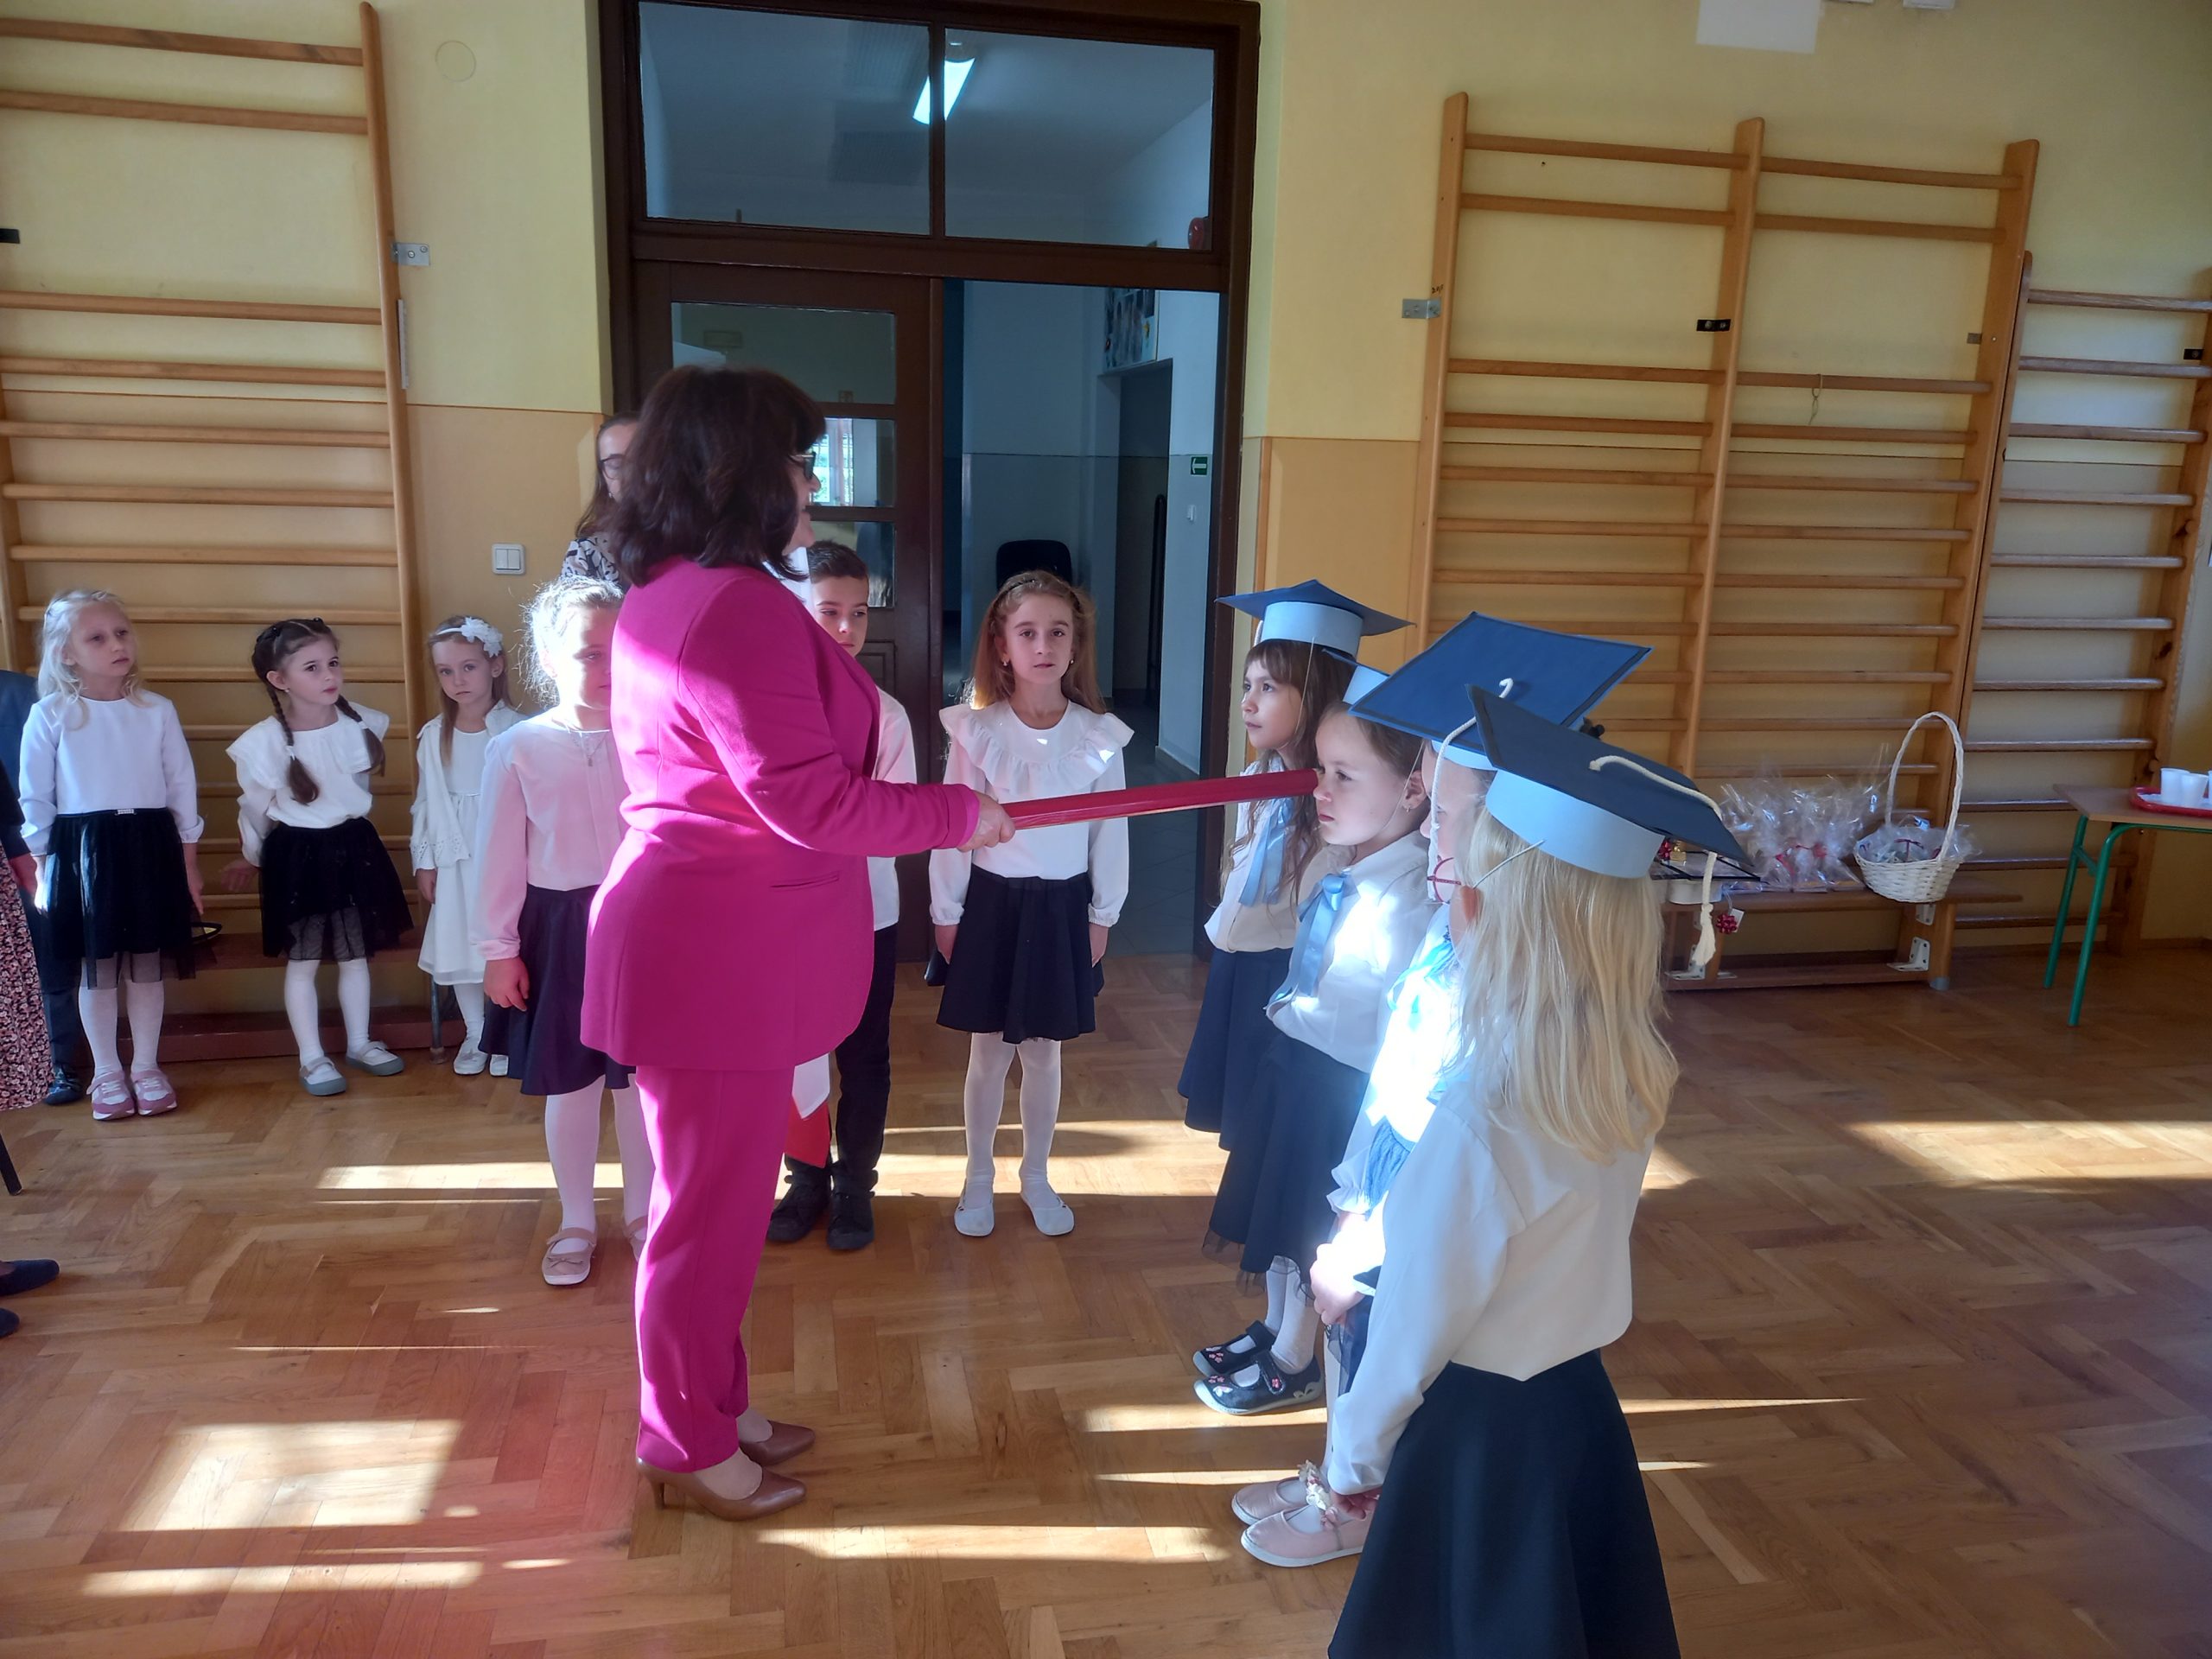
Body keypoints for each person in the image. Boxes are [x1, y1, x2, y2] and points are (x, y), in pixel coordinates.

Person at [580, 365, 1011, 1525]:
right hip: (712, 958)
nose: (809, 484)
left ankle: (713, 1407)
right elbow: (807, 802)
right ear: (738, 472)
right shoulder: (729, 606)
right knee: (701, 1224)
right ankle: (682, 1441)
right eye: (796, 461)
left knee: (717, 1215)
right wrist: (958, 814)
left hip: (714, 945)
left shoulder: (684, 587)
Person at [1324, 686, 1736, 1658]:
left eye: (1462, 879)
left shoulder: (1477, 1117)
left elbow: (1416, 1327)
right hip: (1573, 1409)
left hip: (1475, 1439)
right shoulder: (1627, 1070)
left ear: (1485, 910)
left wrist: (1353, 1456)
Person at [1230, 613, 1646, 1569]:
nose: (1431, 839)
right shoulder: (1460, 944)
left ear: (1510, 854)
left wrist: (1362, 1245)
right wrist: (1353, 1195)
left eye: (1451, 822)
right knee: (1355, 1340)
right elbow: (1395, 1076)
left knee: (1378, 1344)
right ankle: (1346, 1471)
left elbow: (1449, 1228)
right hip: (1405, 1187)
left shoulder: (1508, 1064)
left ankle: (1355, 1491)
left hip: (1432, 1225)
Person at [1178, 582, 1400, 1379]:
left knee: (1296, 1172)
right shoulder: (1262, 783)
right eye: (1248, 684)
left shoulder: (1341, 812)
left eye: (1270, 687)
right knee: (1262, 1158)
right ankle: (1274, 1323)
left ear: (1319, 693)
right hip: (1249, 985)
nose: (1249, 702)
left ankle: (1297, 1347)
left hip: (1302, 999)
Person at [1195, 684, 1433, 1415]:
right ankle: (1274, 1329)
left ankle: (1297, 1358)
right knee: (1273, 1215)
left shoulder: (1409, 902)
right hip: (1297, 1065)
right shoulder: (1347, 869)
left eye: (1343, 776)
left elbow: (1403, 1036)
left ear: (1412, 790)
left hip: (1341, 1092)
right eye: (1321, 770)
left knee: (1305, 1229)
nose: (1320, 790)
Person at [931, 570, 1129, 1241]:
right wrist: (947, 911)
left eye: (1057, 632)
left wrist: (1102, 914)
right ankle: (977, 1176)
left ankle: (1037, 1174)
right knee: (988, 1053)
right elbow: (954, 828)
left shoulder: (1098, 738)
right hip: (992, 908)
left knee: (1044, 1052)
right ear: (1002, 645)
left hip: (1062, 911)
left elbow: (1111, 831)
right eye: (1027, 633)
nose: (1043, 646)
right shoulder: (976, 732)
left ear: (1075, 646)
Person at [475, 578, 652, 1287]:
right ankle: (576, 1219)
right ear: (549, 659)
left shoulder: (653, 735)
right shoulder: (518, 748)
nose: (609, 668)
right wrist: (499, 950)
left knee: (640, 1084)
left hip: (644, 930)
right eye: (589, 654)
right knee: (572, 1085)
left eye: (621, 651)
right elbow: (497, 857)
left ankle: (643, 1212)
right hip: (560, 933)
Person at [766, 540, 913, 1252]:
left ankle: (856, 1183)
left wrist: (831, 823)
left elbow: (892, 822)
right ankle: (805, 1179)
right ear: (795, 612)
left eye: (859, 612)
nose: (848, 628)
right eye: (829, 611)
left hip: (866, 913)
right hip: (787, 915)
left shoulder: (887, 715)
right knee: (792, 1051)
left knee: (864, 1054)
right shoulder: (768, 710)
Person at [18, 591, 203, 1119]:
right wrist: (43, 870)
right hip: (82, 852)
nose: (116, 645)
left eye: (121, 633)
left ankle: (146, 1066)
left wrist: (190, 864)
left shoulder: (156, 710)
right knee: (95, 969)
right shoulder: (51, 714)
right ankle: (105, 1072)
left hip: (149, 845)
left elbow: (181, 787)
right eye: (97, 638)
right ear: (66, 653)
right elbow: (35, 798)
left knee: (147, 965)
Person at [222, 619, 412, 1096]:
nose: (329, 675)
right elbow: (256, 809)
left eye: (333, 662)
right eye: (312, 667)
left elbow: (353, 791)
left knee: (355, 955)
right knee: (303, 961)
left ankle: (360, 1043)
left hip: (354, 849)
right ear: (279, 679)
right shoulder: (264, 743)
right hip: (298, 856)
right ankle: (311, 1057)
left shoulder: (361, 723)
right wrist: (253, 857)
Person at [411, 615, 522, 1076]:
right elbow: (426, 803)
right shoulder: (433, 735)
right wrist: (425, 861)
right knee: (461, 942)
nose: (458, 680)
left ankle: (504, 1035)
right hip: (455, 856)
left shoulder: (519, 730)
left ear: (494, 665)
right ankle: (476, 1033)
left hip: (506, 855)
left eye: (468, 667)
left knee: (505, 941)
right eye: (446, 671)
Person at [1, 668, 84, 1106]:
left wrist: (29, 852)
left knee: (43, 960)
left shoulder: (23, 693)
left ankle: (57, 1063)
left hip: (27, 850)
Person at [561, 413, 638, 586]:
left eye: (643, 460)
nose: (631, 475)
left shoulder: (693, 542)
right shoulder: (587, 554)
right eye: (617, 465)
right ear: (603, 477)